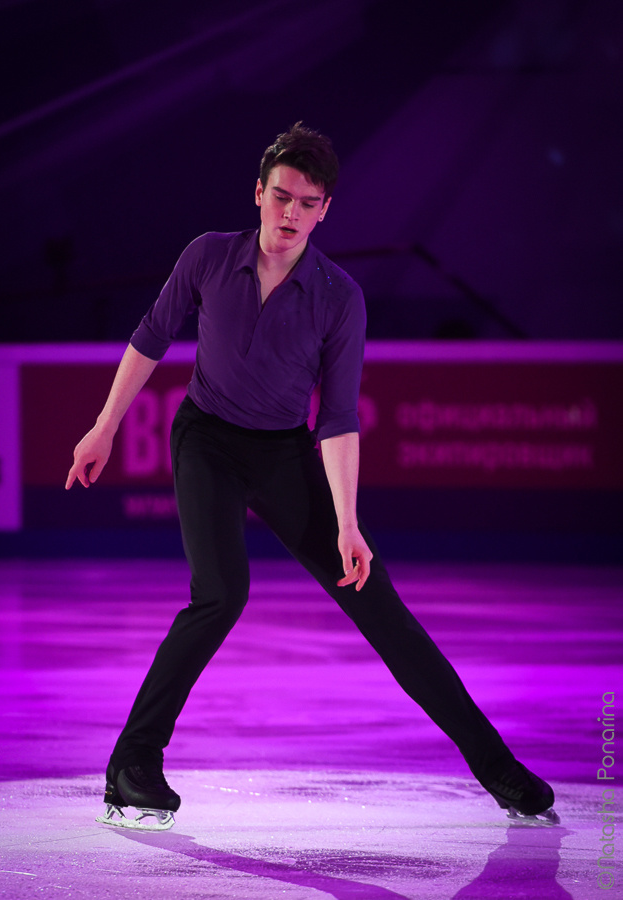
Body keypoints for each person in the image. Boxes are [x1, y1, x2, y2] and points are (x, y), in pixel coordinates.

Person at [66, 122, 557, 827]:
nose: (289, 214)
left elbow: (337, 416)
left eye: (306, 202)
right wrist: (105, 426)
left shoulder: (337, 297)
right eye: (279, 197)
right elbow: (151, 336)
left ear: (325, 209)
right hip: (206, 440)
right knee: (220, 594)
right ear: (258, 193)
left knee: (378, 604)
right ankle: (133, 763)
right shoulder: (207, 257)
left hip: (282, 451)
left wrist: (349, 524)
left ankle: (500, 771)